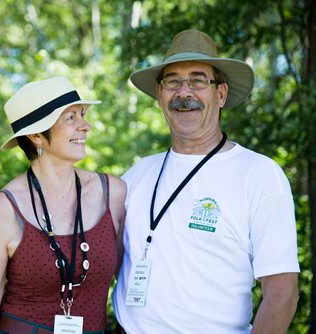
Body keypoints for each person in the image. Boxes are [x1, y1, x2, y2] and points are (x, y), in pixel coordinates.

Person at [112, 29, 300, 333]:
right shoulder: (136, 175)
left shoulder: (259, 174)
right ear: (159, 95)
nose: (184, 93)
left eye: (199, 80)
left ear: (220, 94)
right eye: (172, 81)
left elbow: (282, 293)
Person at [0, 76, 126, 334]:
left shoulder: (112, 193)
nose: (86, 126)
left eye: (81, 115)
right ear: (37, 135)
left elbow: (130, 280)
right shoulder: (4, 210)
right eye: (71, 118)